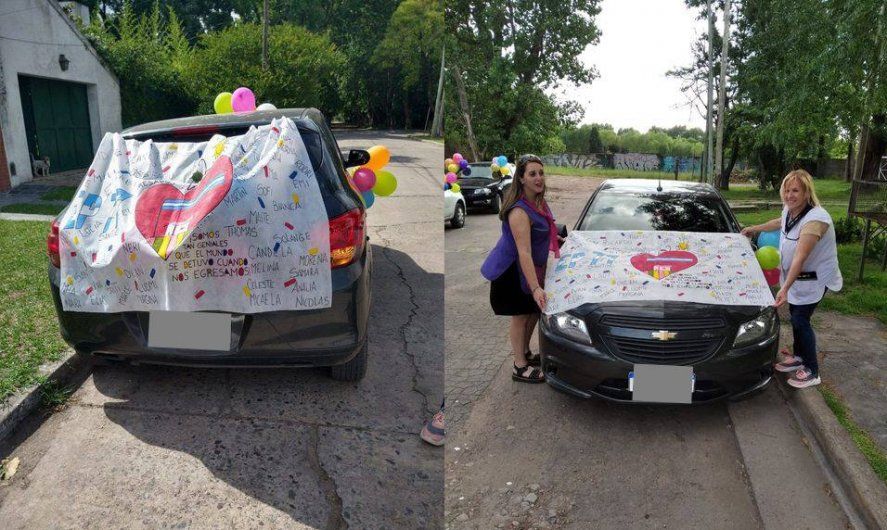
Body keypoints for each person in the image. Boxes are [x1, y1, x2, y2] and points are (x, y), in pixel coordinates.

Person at [741, 169, 842, 388]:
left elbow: (800, 257)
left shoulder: (816, 218)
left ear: (807, 192)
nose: (789, 195)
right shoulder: (791, 210)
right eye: (787, 190)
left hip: (814, 277)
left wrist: (784, 287)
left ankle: (813, 370)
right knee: (796, 315)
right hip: (799, 277)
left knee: (800, 319)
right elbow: (779, 222)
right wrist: (753, 229)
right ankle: (798, 357)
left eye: (795, 190)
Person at [481, 155, 561, 383]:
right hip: (511, 271)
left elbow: (546, 231)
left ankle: (525, 352)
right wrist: (536, 288)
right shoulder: (519, 211)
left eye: (541, 173)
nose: (538, 178)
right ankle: (519, 366)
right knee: (520, 316)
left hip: (529, 268)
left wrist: (560, 240)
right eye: (532, 174)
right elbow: (523, 251)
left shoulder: (538, 202)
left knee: (534, 311)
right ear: (522, 179)